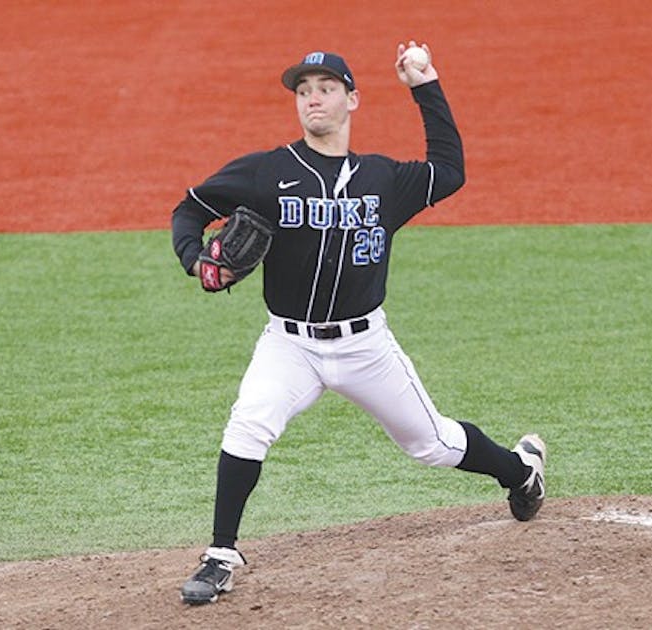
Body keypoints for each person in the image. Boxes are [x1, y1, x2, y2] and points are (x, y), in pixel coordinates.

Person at [170, 41, 546, 605]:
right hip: (289, 344)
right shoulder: (267, 172)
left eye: (325, 89)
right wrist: (195, 258)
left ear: (353, 100)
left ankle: (520, 473)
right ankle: (221, 555)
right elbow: (191, 207)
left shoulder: (382, 180)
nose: (312, 100)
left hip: (366, 345)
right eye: (303, 91)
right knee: (248, 424)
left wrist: (426, 85)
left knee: (433, 443)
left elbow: (449, 172)